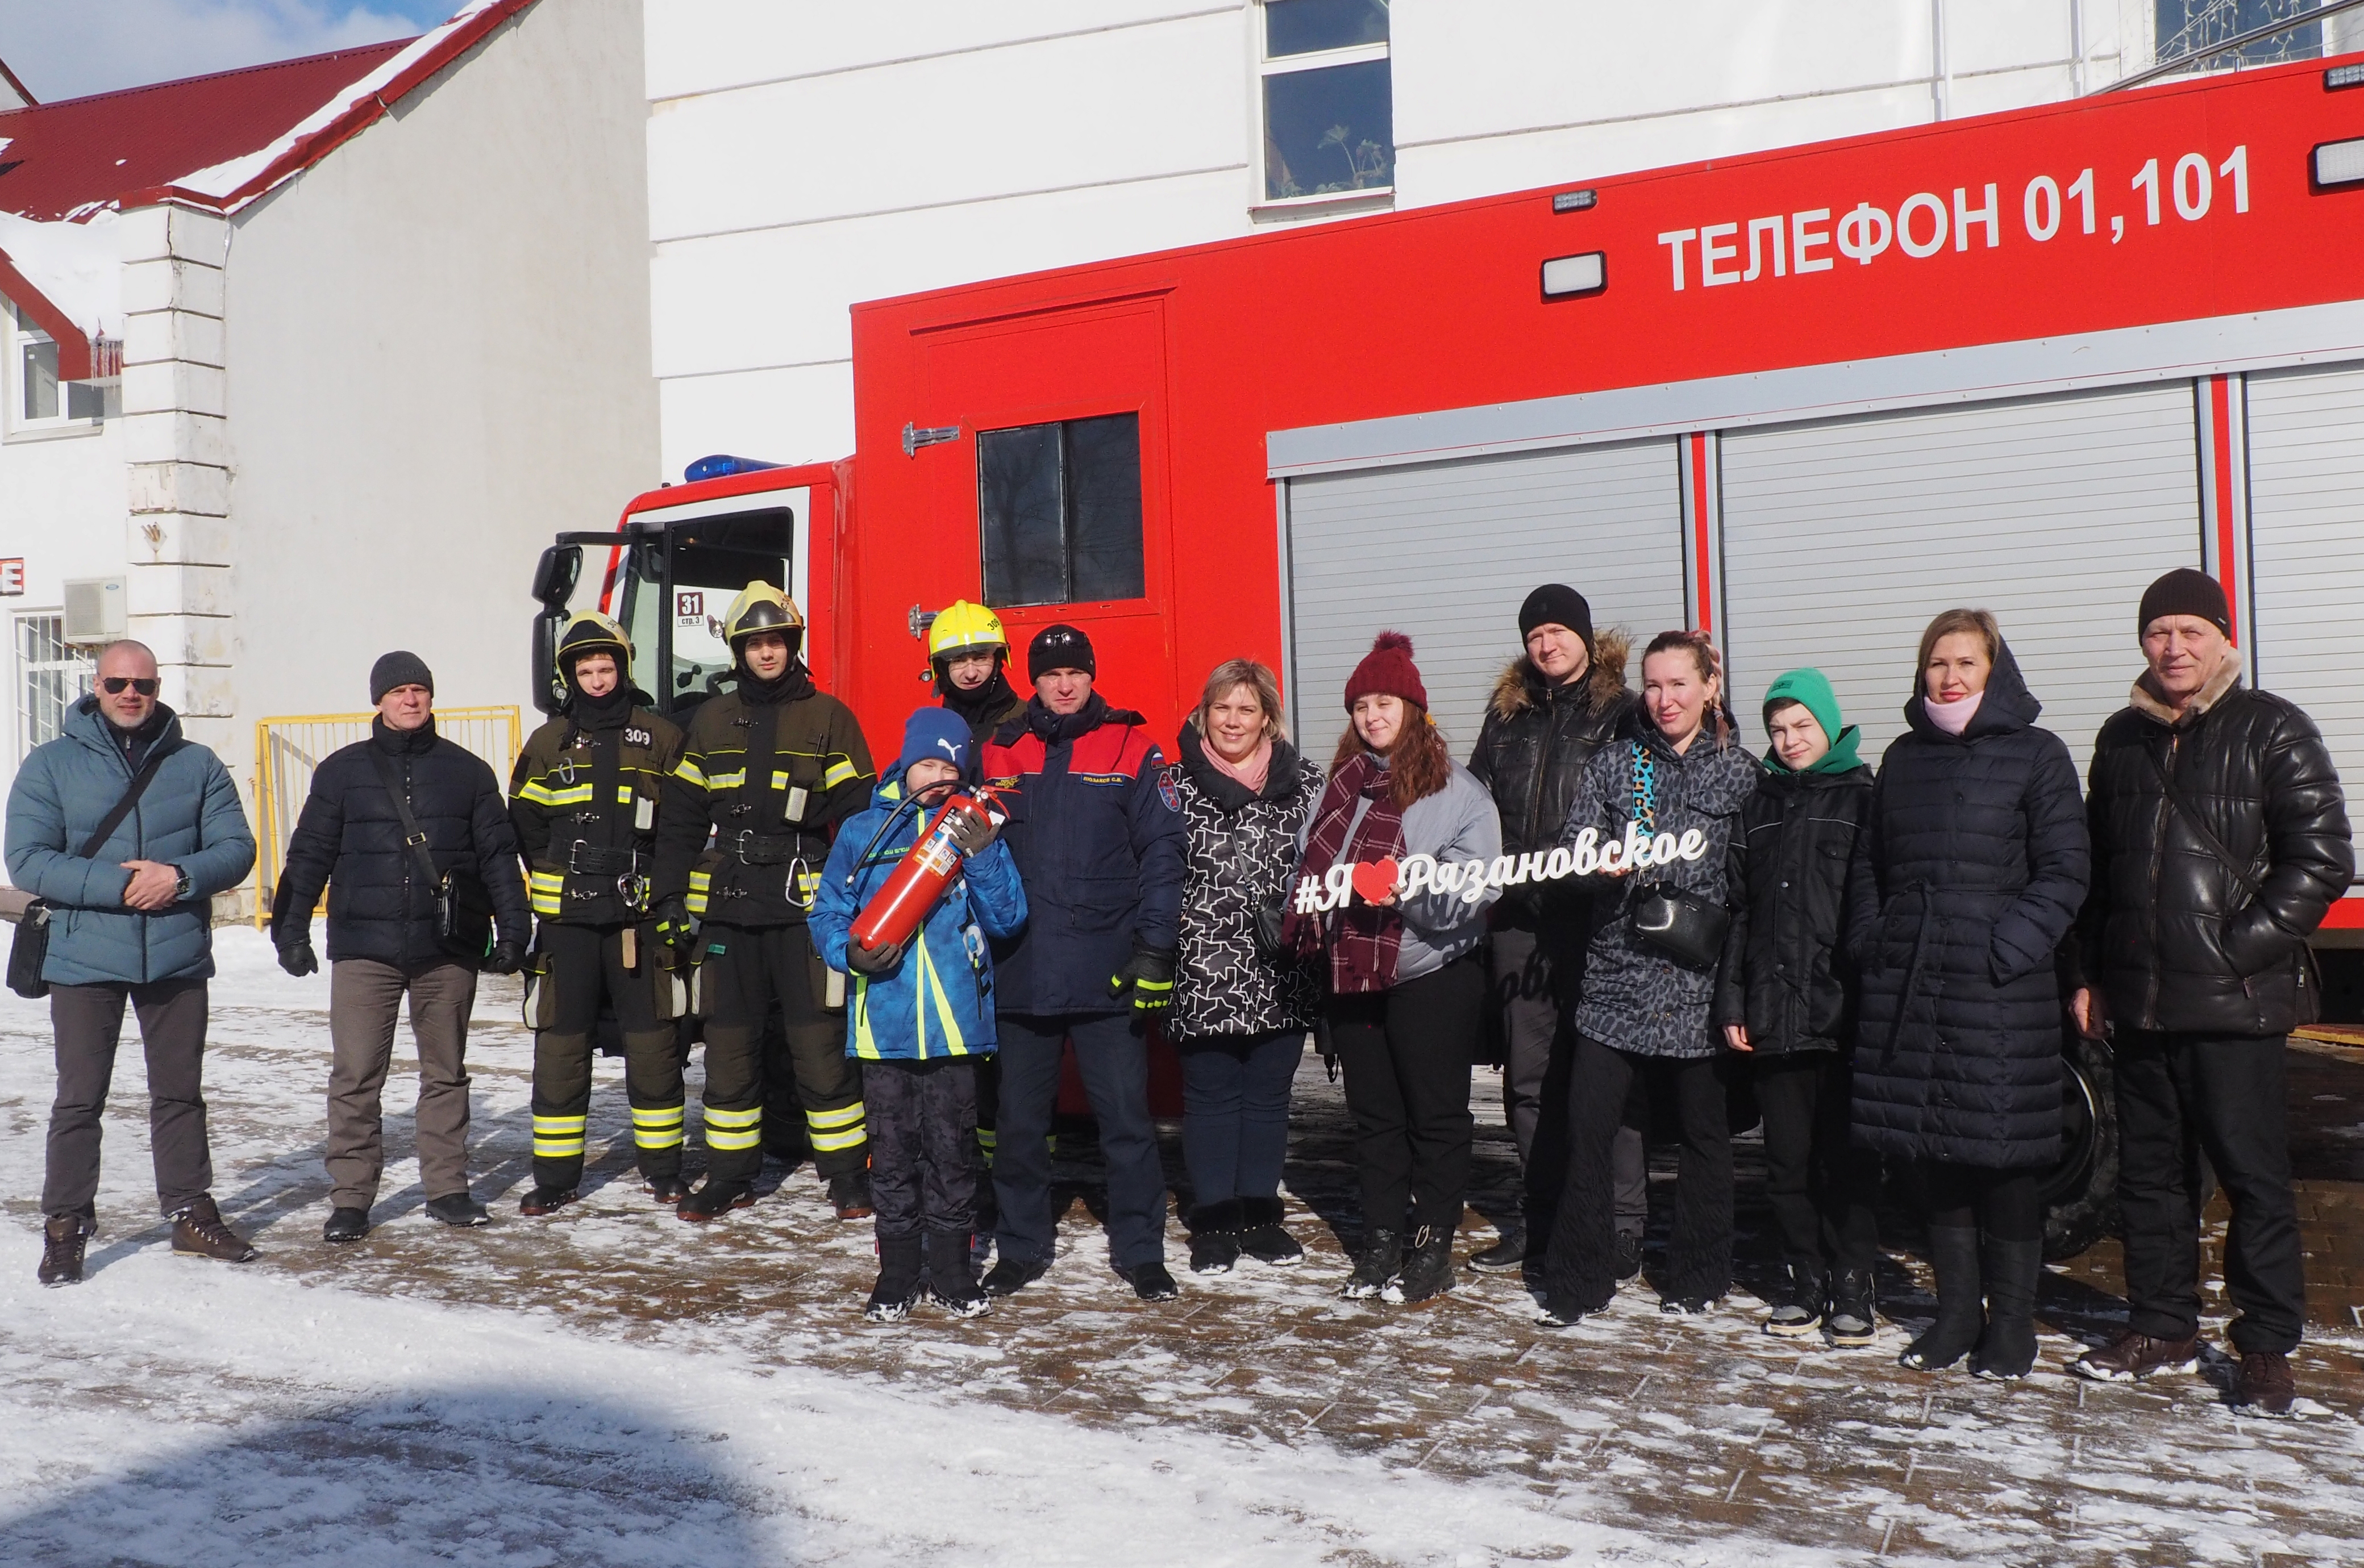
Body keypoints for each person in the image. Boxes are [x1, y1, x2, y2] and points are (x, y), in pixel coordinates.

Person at [2067, 569, 2351, 1413]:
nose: (2174, 647)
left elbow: (2323, 856)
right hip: (2142, 1005)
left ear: (2225, 638)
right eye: (2159, 631)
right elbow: (2100, 874)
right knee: (2151, 1179)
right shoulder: (2121, 738)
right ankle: (2162, 1323)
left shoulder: (2274, 728)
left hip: (2235, 1006)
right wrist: (2088, 974)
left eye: (2192, 630)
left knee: (2254, 1181)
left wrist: (2237, 948)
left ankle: (2264, 1344)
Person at [1847, 609, 2088, 1380]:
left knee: (2005, 1161)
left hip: (1998, 993)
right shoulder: (1904, 757)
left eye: (1966, 663)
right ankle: (1954, 1317)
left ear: (1995, 671)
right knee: (1935, 1157)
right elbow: (1868, 869)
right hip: (1913, 987)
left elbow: (2065, 872)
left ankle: (2012, 1326)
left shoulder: (2037, 755)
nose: (1950, 677)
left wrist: (2005, 949)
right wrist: (1873, 941)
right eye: (1937, 664)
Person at [10, 640, 259, 1285]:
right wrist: (117, 886)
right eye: (118, 682)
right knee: (79, 1099)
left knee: (179, 1094)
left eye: (142, 685)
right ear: (96, 685)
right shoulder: (51, 764)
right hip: (83, 957)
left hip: (175, 954)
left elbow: (237, 847)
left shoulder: (196, 763)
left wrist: (178, 877)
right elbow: (28, 858)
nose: (130, 694)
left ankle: (189, 1213)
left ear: (157, 688)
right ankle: (65, 1225)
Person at [1537, 630, 1758, 1327]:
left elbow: (1751, 887)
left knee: (1703, 1137)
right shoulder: (1616, 765)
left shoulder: (1743, 773)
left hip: (1698, 989)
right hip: (1616, 978)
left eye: (1678, 685)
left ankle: (1695, 1276)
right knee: (1588, 1128)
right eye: (1653, 686)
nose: (1664, 700)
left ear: (1709, 688)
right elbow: (1572, 844)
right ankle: (1578, 1277)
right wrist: (1592, 858)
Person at [273, 651, 531, 1241]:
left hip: (446, 948)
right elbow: (308, 855)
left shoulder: (468, 773)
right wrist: (289, 930)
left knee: (445, 1074)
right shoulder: (341, 773)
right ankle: (352, 1197)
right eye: (398, 692)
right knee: (357, 1074)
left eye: (419, 690)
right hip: (366, 949)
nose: (410, 700)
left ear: (431, 698)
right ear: (379, 701)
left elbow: (497, 859)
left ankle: (447, 1188)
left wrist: (514, 929)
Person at [1283, 631, 1500, 1306]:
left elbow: (1479, 890)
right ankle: (1381, 1237)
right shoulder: (1340, 787)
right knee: (1373, 1117)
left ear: (1413, 708)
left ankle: (1432, 1243)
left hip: (1432, 973)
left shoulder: (1459, 793)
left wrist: (1405, 888)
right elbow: (1308, 864)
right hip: (1353, 974)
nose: (1372, 716)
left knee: (1434, 1117)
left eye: (1385, 702)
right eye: (1361, 706)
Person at [652, 583, 877, 1223]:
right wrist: (670, 898)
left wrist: (854, 902)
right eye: (754, 643)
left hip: (802, 910)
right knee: (729, 1052)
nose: (766, 652)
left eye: (776, 640)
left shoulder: (828, 717)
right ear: (738, 651)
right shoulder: (710, 721)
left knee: (819, 1049)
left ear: (792, 645)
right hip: (728, 910)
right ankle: (729, 1176)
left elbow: (858, 821)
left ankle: (845, 1178)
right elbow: (681, 821)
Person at [978, 623, 1188, 1302]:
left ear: (1092, 676)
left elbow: (1162, 854)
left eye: (1075, 673)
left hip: (1108, 969)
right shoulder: (1002, 750)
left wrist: (1155, 948)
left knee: (1126, 1122)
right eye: (1049, 674)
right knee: (1018, 1125)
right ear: (1032, 680)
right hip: (1023, 969)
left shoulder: (1133, 745)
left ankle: (1140, 1251)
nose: (1063, 685)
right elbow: (971, 854)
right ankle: (1020, 1247)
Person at [811, 708, 1027, 1321]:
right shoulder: (860, 831)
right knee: (893, 1157)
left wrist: (983, 857)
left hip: (956, 1030)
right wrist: (846, 951)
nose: (935, 777)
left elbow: (1009, 918)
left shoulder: (971, 829)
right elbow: (827, 913)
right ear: (905, 765)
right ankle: (898, 1273)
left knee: (954, 1155)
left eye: (948, 767)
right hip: (883, 1032)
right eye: (925, 765)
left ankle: (955, 1274)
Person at [1466, 584, 1642, 1277]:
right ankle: (1540, 1222)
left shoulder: (1623, 713)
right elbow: (1473, 808)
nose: (1546, 643)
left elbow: (1649, 801)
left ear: (1585, 636)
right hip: (1519, 923)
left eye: (1558, 631)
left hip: (1596, 924)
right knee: (1529, 1082)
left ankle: (1621, 1225)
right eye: (1534, 634)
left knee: (1607, 1078)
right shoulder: (1504, 718)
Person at [1714, 668, 1881, 1345]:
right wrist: (1733, 999)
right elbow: (1737, 911)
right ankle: (1804, 1280)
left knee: (1843, 1160)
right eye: (1777, 730)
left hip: (1838, 1013)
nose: (1788, 740)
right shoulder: (1756, 805)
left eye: (1801, 726)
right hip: (1771, 1012)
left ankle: (1852, 1286)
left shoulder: (1863, 798)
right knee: (1784, 1163)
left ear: (1827, 723)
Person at [507, 612, 689, 1212]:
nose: (596, 678)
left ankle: (662, 1171)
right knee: (561, 1047)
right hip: (569, 922)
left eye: (604, 667)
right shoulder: (546, 742)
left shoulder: (660, 737)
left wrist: (665, 897)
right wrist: (558, 873)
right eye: (584, 669)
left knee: (653, 1044)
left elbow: (681, 828)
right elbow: (526, 821)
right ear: (569, 676)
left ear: (622, 668)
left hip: (638, 919)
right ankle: (555, 1179)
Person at [1168, 658, 1323, 1274]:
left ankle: (1259, 1215)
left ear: (1267, 719)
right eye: (1221, 708)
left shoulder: (1306, 781)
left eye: (1245, 709)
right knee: (1209, 1097)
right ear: (1204, 713)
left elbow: (1327, 862)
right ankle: (1212, 1221)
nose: (1232, 720)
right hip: (1202, 968)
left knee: (1266, 1097)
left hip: (1282, 966)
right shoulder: (1171, 784)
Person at [925, 599, 1026, 1219]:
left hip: (1009, 900)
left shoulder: (1025, 721)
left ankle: (1017, 1175)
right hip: (947, 907)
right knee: (963, 1050)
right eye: (956, 658)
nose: (968, 669)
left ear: (999, 659)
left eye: (979, 656)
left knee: (1012, 1056)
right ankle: (972, 1175)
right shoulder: (928, 725)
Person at [928, 599, 1027, 747]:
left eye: (981, 658)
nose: (971, 673)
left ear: (998, 660)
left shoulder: (1028, 721)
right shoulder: (931, 732)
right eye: (958, 661)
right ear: (941, 668)